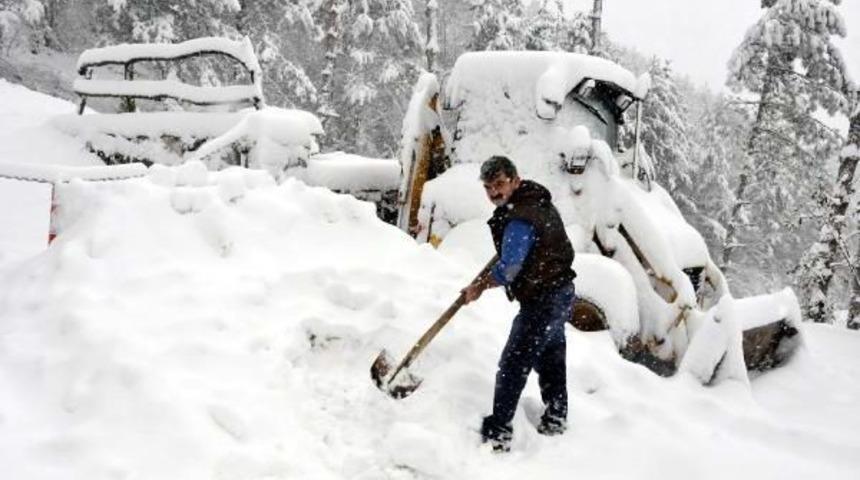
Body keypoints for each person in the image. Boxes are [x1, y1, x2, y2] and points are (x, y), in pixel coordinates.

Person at [463, 155, 576, 452]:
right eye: (488, 187)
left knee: (514, 362)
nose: (494, 193)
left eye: (499, 184)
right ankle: (556, 416)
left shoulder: (520, 218)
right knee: (550, 355)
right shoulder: (536, 200)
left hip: (543, 301)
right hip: (561, 291)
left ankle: (499, 431)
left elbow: (510, 267)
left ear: (515, 179)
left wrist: (480, 286)